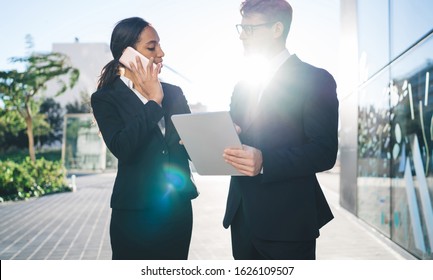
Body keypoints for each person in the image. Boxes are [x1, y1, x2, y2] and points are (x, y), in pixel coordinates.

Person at [222, 0, 339, 260]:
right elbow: (239, 135)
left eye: (249, 29)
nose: (241, 36)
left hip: (288, 223)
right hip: (242, 219)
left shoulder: (316, 79)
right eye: (240, 28)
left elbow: (324, 151)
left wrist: (265, 161)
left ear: (276, 29)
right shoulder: (243, 85)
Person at [91, 17, 198, 260]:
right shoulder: (105, 98)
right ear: (127, 54)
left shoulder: (175, 93)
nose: (161, 53)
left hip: (177, 211)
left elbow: (191, 144)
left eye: (159, 45)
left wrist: (213, 136)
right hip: (133, 214)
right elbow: (123, 147)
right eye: (152, 47)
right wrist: (153, 102)